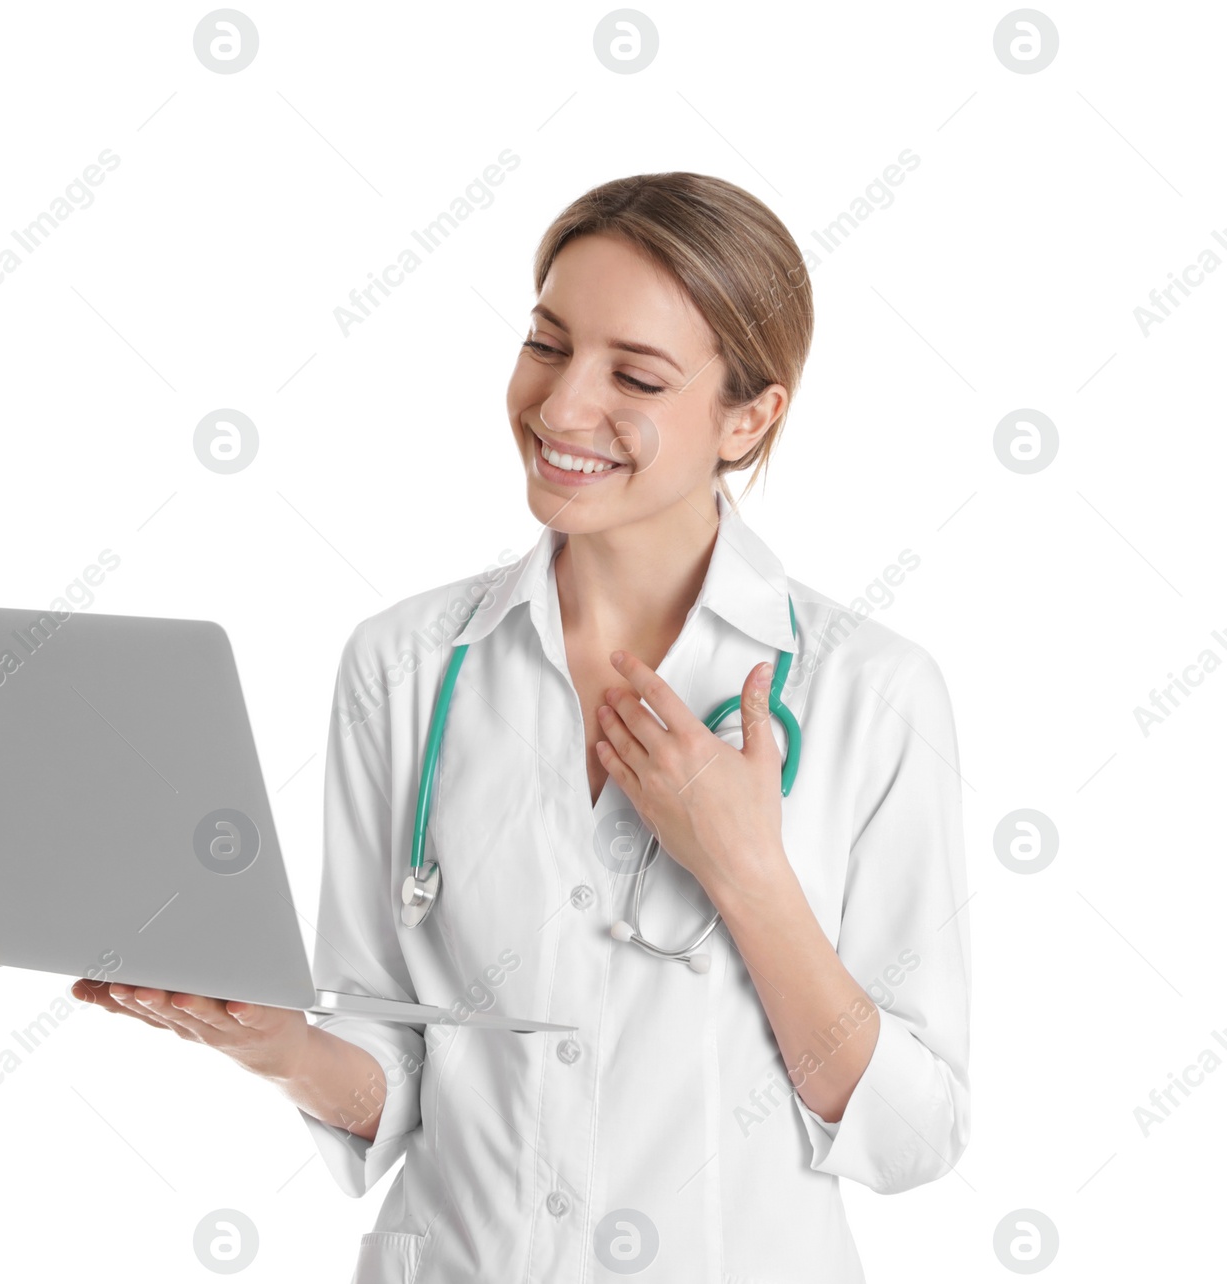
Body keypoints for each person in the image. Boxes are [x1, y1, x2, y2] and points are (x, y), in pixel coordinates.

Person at [73, 172, 971, 1283]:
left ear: (749, 417)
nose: (557, 408)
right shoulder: (406, 665)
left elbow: (913, 1131)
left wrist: (745, 872)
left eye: (634, 375)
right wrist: (280, 1047)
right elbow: (387, 1054)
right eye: (547, 344)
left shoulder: (870, 696)